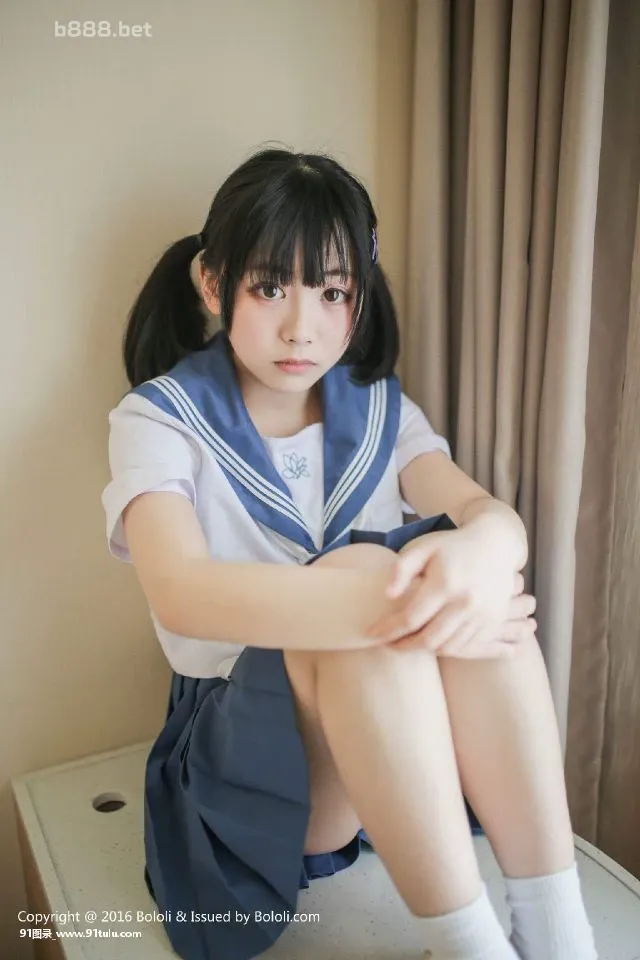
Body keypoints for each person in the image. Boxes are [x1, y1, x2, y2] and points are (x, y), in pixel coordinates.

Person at [101, 148, 598, 960]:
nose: (303, 327)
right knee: (396, 577)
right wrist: (392, 597)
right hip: (245, 769)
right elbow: (181, 591)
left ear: (359, 298)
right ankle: (473, 948)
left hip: (392, 752)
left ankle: (558, 930)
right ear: (213, 283)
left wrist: (480, 555)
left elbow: (486, 513)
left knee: (470, 586)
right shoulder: (158, 420)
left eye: (332, 293)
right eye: (271, 288)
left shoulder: (379, 411)